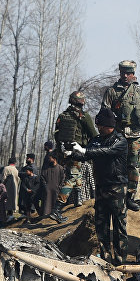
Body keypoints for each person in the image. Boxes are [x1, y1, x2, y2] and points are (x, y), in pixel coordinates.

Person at [69, 107, 129, 264]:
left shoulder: (120, 140)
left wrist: (85, 150)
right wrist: (70, 152)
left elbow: (106, 152)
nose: (98, 128)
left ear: (107, 125)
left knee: (119, 225)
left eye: (100, 125)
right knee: (101, 226)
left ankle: (120, 259)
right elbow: (85, 155)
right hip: (101, 188)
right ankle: (106, 258)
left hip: (117, 188)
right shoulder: (96, 140)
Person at [101, 60, 140, 211]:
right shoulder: (112, 91)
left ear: (133, 74)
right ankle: (115, 194)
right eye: (123, 73)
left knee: (133, 166)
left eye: (128, 73)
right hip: (118, 135)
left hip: (135, 135)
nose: (125, 76)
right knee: (115, 166)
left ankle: (130, 197)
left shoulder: (139, 92)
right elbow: (104, 113)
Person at [54, 91, 98, 222]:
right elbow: (94, 134)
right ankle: (57, 208)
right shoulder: (83, 116)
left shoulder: (63, 115)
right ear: (82, 102)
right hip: (77, 151)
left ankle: (78, 199)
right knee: (72, 177)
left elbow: (56, 134)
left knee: (76, 174)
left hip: (65, 151)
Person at [39, 152, 64, 221]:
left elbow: (63, 178)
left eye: (50, 158)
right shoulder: (46, 168)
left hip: (57, 190)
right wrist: (45, 186)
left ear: (54, 159)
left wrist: (60, 186)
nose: (49, 159)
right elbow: (42, 177)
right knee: (47, 204)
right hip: (47, 190)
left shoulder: (60, 168)